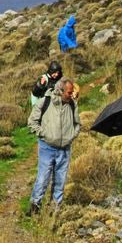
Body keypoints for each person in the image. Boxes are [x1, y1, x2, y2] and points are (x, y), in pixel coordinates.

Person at [26, 78, 80, 215]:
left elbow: (77, 123)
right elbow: (32, 122)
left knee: (60, 182)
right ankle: (34, 207)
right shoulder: (46, 101)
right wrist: (43, 134)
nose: (72, 94)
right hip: (47, 147)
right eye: (69, 92)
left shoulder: (72, 104)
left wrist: (72, 135)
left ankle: (54, 210)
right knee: (43, 179)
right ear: (60, 91)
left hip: (65, 149)